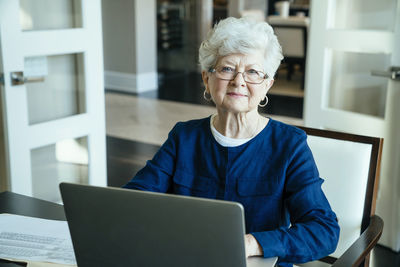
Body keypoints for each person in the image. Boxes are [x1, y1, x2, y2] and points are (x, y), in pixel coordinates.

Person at [124, 17, 339, 267]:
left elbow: (324, 231)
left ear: (267, 85)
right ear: (207, 78)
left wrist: (251, 243)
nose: (239, 81)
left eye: (253, 72)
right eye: (227, 69)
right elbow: (134, 199)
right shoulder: (184, 137)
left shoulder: (289, 145)